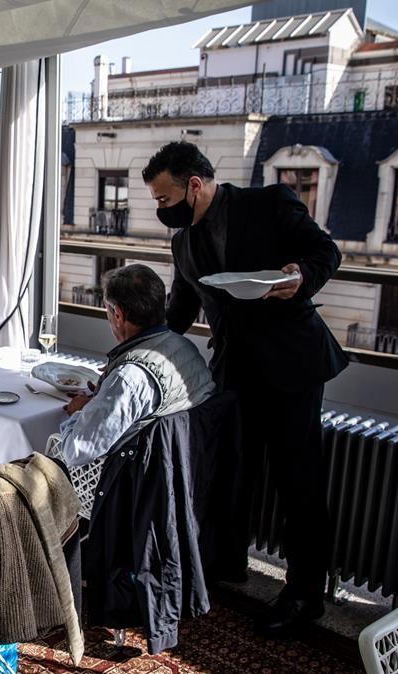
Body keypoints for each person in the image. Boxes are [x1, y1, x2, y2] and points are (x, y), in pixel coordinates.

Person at [141, 141, 348, 637]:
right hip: (234, 369)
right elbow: (180, 310)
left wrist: (299, 276)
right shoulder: (182, 242)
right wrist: (139, 350)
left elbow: (326, 251)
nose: (160, 209)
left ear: (194, 185)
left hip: (291, 363)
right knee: (231, 470)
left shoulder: (269, 203)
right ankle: (225, 565)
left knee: (299, 483)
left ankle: (304, 595)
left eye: (165, 199)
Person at [58, 264, 214, 467]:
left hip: (135, 483)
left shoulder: (128, 379)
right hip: (188, 471)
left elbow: (74, 452)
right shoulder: (186, 349)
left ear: (118, 315)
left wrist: (78, 412)